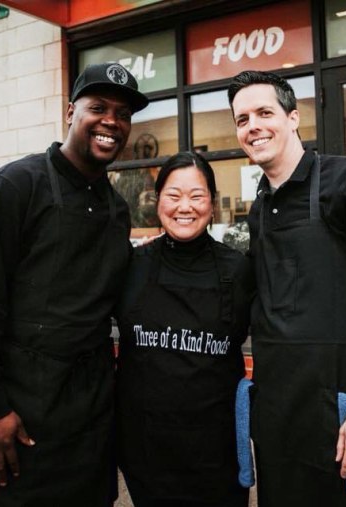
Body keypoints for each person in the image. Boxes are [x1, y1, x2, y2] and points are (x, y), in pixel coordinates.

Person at [0, 63, 148, 506]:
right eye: (98, 107)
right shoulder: (15, 185)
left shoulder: (117, 209)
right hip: (18, 410)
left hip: (89, 414)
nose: (111, 122)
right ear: (70, 112)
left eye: (122, 114)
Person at [228, 70, 346, 505]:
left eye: (264, 112)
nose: (253, 126)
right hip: (280, 422)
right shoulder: (259, 208)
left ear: (294, 118)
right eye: (242, 119)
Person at [115, 152, 253, 507]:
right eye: (173, 196)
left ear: (212, 202)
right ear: (158, 201)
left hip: (216, 454)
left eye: (197, 196)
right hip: (147, 452)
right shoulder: (132, 267)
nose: (184, 207)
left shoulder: (238, 270)